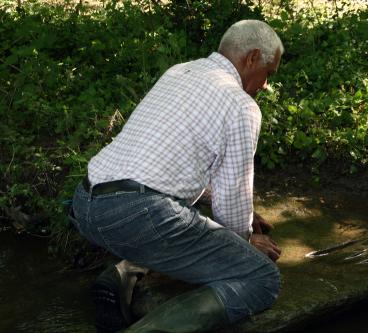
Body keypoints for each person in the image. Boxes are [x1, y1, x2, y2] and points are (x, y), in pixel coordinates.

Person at [69, 19, 284, 333]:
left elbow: (171, 170)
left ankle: (119, 275)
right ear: (252, 58)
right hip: (139, 213)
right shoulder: (241, 106)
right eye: (270, 72)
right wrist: (244, 242)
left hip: (87, 204)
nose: (267, 84)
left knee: (178, 221)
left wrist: (249, 215)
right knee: (262, 278)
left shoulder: (180, 71)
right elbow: (231, 203)